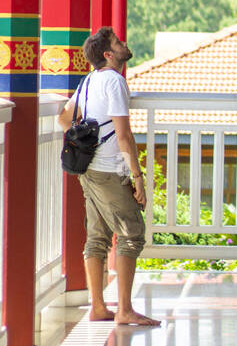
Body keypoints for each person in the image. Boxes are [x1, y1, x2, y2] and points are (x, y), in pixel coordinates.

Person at [57, 26, 160, 327]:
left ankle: (99, 307)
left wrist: (83, 140)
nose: (123, 43)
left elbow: (64, 118)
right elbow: (125, 135)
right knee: (131, 233)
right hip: (107, 170)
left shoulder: (89, 81)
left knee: (98, 235)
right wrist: (138, 177)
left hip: (88, 168)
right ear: (108, 54)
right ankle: (125, 310)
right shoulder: (114, 81)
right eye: (118, 42)